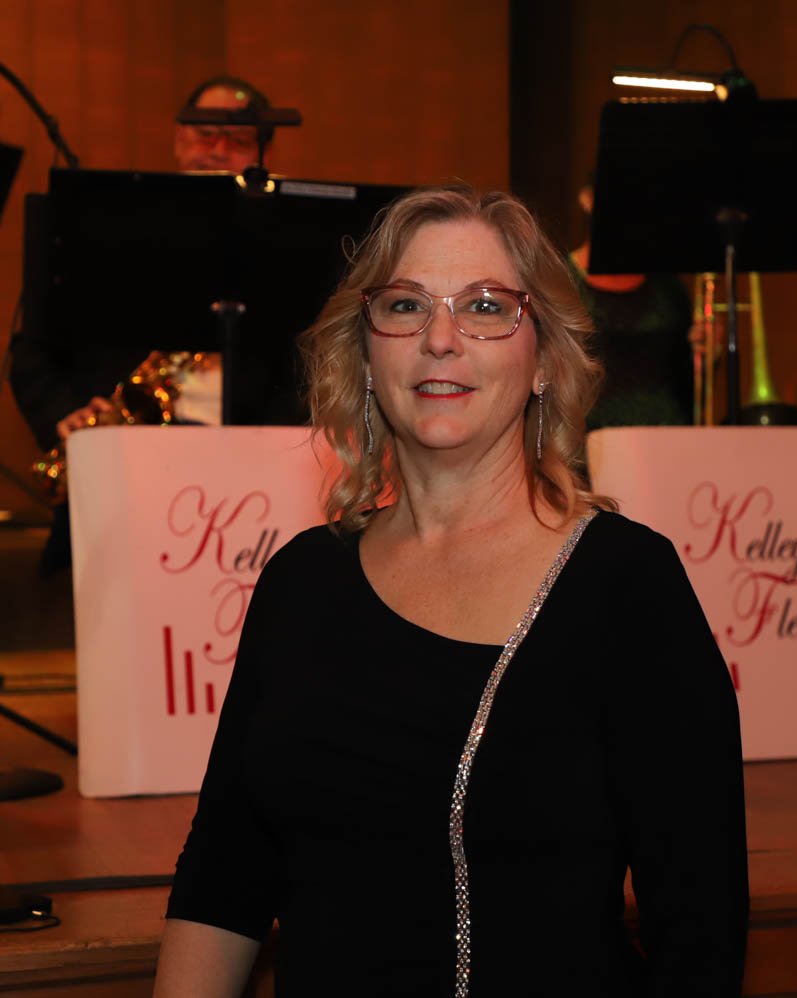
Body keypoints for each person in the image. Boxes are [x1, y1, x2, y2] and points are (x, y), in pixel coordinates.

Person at [156, 186, 749, 996]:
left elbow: (700, 941)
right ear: (365, 356)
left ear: (545, 360)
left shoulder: (627, 586)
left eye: (486, 307)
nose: (440, 339)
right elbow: (224, 876)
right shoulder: (300, 580)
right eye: (405, 306)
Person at [8, 74, 277, 574]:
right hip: (126, 472)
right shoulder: (105, 225)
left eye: (238, 139)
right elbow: (30, 353)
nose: (218, 150)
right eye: (205, 134)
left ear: (264, 152)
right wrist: (64, 416)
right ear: (178, 140)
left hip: (260, 485)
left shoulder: (288, 246)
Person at [568, 181, 695, 428]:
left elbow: (682, 371)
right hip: (588, 436)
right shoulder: (561, 278)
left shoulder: (668, 285)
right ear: (587, 199)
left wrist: (705, 353)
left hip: (665, 431)